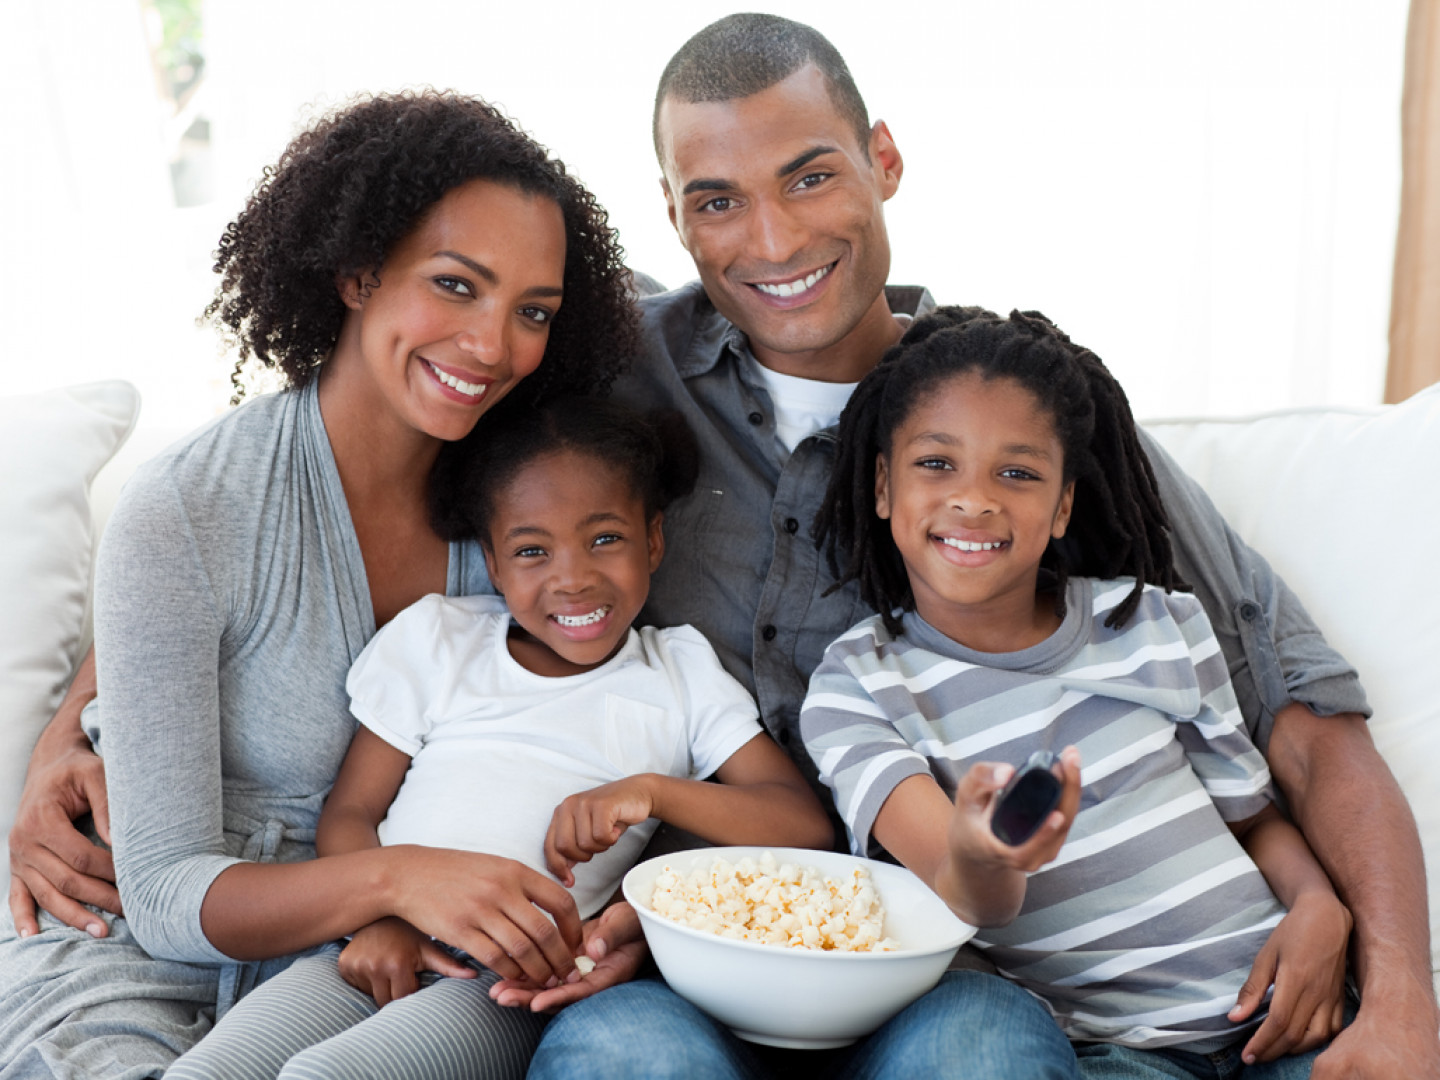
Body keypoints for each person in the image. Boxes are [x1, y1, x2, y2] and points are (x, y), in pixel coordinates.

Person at [526, 14, 1436, 1080]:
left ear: (884, 159)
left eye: (810, 177)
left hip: (941, 977)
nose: (771, 242)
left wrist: (1396, 993)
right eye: (717, 201)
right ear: (674, 214)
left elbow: (1300, 717)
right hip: (684, 951)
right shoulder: (604, 368)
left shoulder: (1011, 406)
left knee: (979, 1053)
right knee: (621, 1060)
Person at [0, 90, 641, 1078]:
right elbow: (162, 896)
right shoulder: (191, 506)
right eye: (455, 285)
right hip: (133, 953)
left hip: (394, 966)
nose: (492, 345)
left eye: (534, 312)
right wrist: (398, 878)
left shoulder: (541, 512)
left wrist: (631, 914)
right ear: (356, 271)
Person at [163, 397, 831, 1079]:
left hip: (505, 981)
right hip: (367, 943)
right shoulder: (441, 639)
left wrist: (652, 794)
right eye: (532, 551)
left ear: (653, 540)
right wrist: (376, 920)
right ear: (492, 562)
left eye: (604, 539)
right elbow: (352, 811)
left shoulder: (680, 674)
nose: (572, 578)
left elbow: (802, 825)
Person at [803, 305, 1353, 1076]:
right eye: (936, 463)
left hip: (1289, 1015)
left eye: (1018, 473)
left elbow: (1254, 821)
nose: (974, 499)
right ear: (883, 486)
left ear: (1062, 505)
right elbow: (966, 894)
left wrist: (1320, 907)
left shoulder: (1156, 624)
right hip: (1117, 1053)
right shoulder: (856, 689)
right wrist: (989, 855)